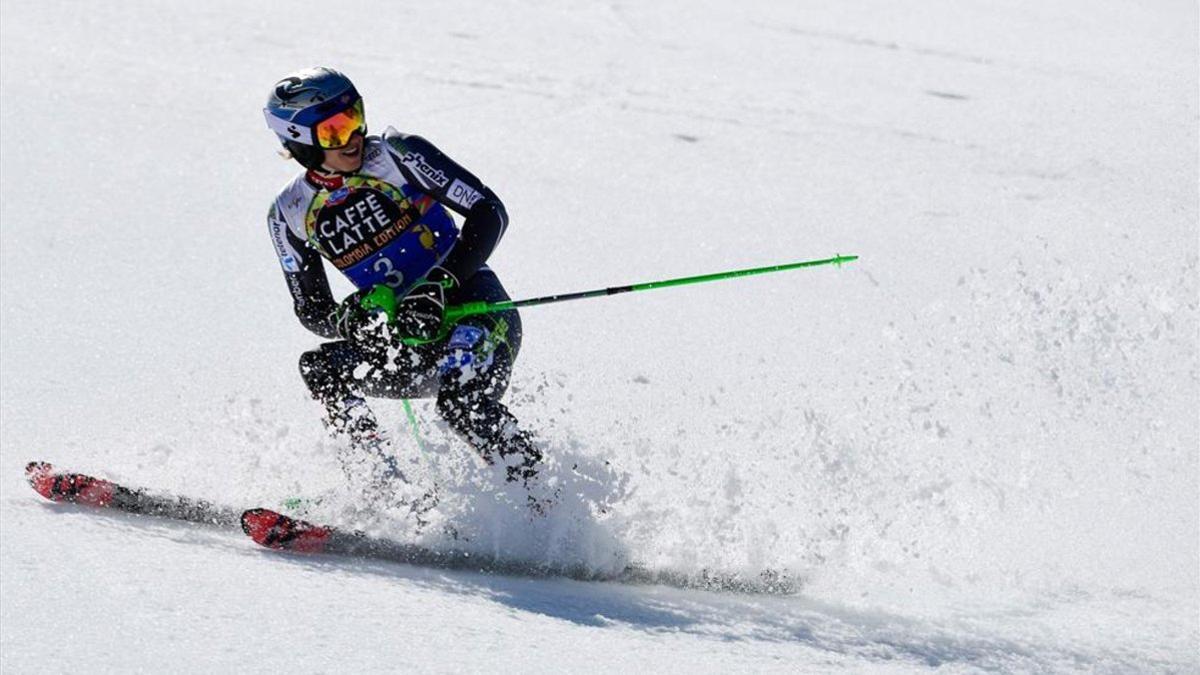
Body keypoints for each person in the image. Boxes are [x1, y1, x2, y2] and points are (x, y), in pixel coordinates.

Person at [262, 67, 542, 510]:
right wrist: (349, 319)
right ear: (299, 143)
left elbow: (490, 212)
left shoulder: (397, 155)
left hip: (475, 311)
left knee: (460, 402)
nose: (353, 137)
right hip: (407, 344)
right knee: (321, 369)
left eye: (355, 119)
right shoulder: (289, 213)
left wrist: (440, 283)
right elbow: (311, 308)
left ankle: (549, 499)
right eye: (334, 132)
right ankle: (383, 497)